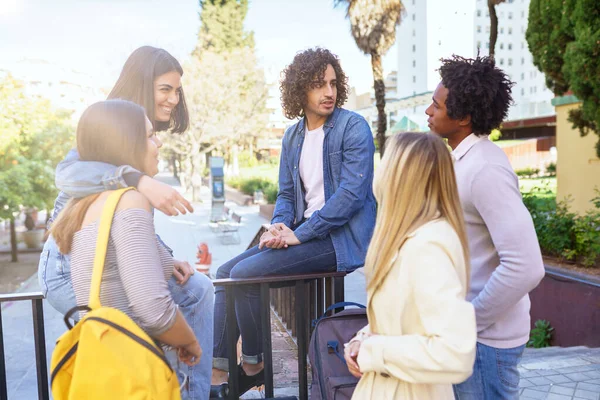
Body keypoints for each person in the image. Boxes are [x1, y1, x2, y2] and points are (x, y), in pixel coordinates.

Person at [37, 46, 213, 400]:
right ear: (141, 84)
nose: (174, 99)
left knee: (180, 302)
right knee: (157, 321)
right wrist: (137, 179)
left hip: (88, 256)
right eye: (166, 89)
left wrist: (164, 258)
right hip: (65, 263)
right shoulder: (109, 127)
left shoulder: (134, 147)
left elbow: (127, 229)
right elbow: (68, 174)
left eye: (178, 90)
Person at [210, 47, 377, 396]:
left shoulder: (353, 127)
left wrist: (300, 236)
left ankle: (254, 365)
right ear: (301, 89)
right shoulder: (293, 136)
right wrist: (279, 228)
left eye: (333, 83)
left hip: (339, 240)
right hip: (305, 234)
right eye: (319, 84)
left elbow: (350, 198)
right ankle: (220, 374)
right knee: (225, 273)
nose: (328, 92)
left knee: (244, 276)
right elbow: (287, 195)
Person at [51, 99, 202, 377]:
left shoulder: (87, 203)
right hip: (134, 368)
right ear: (126, 144)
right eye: (149, 135)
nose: (159, 143)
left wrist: (167, 261)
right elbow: (152, 308)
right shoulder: (130, 200)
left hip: (106, 364)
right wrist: (190, 341)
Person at [425, 55, 545, 399]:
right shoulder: (461, 161)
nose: (428, 112)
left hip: (485, 346)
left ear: (462, 117)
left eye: (437, 106)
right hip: (468, 339)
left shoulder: (485, 170)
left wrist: (468, 322)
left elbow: (526, 266)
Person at [344, 132, 477, 400]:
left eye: (385, 164)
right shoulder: (412, 239)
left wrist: (373, 351)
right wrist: (362, 340)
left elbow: (454, 352)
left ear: (400, 178)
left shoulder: (428, 246)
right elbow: (404, 321)